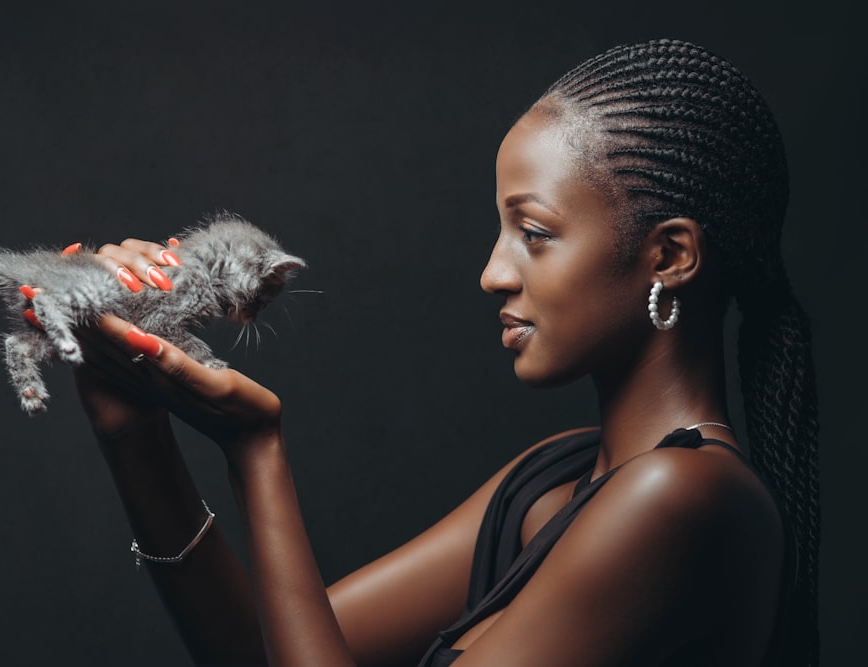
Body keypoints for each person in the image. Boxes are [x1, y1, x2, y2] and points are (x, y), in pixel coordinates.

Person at [44, 39, 818, 666]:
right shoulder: (551, 480)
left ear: (670, 254)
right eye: (500, 229)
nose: (493, 272)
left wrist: (255, 447)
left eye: (536, 233)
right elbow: (262, 653)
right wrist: (132, 424)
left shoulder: (683, 500)